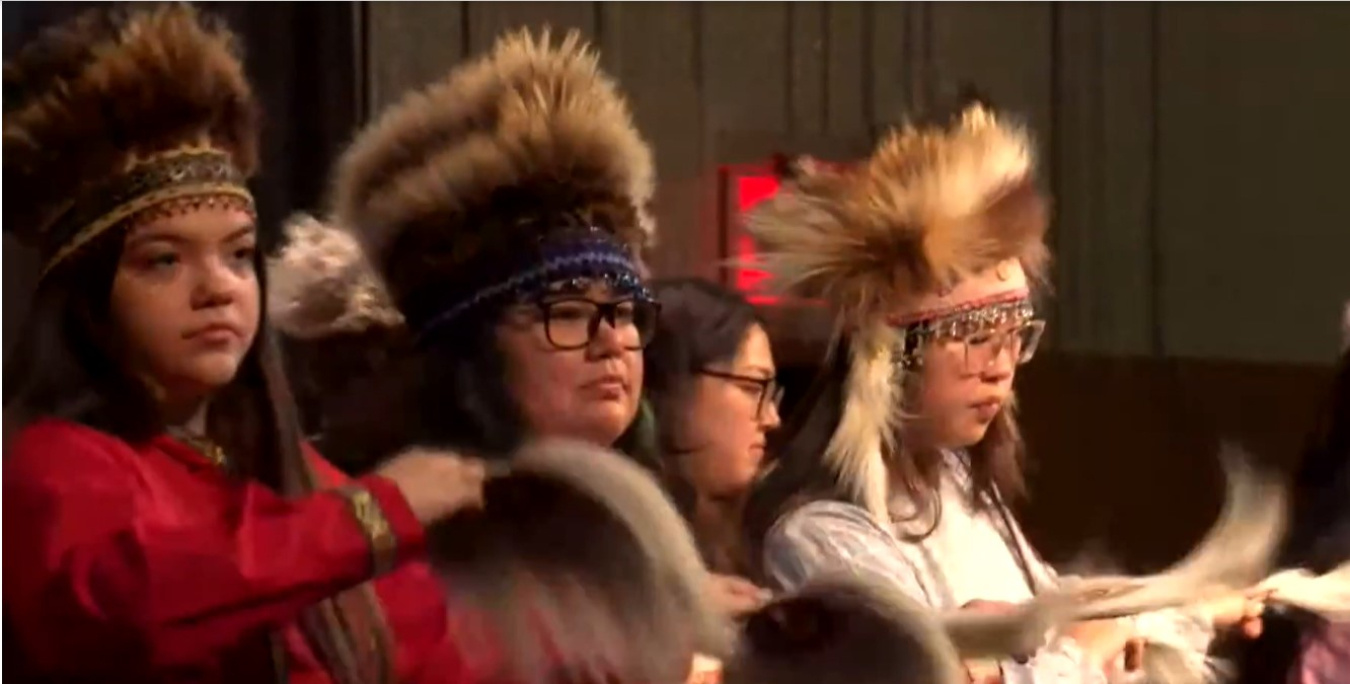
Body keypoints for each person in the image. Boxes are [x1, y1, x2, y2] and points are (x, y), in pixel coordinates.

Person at [2, 6, 487, 683]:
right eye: (165, 261)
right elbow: (129, 606)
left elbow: (437, 656)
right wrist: (371, 517)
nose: (218, 289)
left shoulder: (299, 478)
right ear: (89, 299)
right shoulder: (54, 466)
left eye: (237, 256)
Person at [738, 92, 1261, 683]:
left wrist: (1176, 614)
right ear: (890, 356)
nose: (1001, 364)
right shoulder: (819, 536)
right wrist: (1082, 655)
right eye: (972, 334)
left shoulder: (960, 483)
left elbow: (1049, 608)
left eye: (1015, 335)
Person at [268, 28, 727, 684]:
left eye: (626, 313)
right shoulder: (408, 546)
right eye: (566, 314)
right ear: (471, 350)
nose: (613, 341)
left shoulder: (648, 521)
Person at [643, 278, 783, 616]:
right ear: (672, 385)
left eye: (772, 393)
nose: (772, 418)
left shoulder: (769, 530)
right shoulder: (617, 541)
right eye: (752, 387)